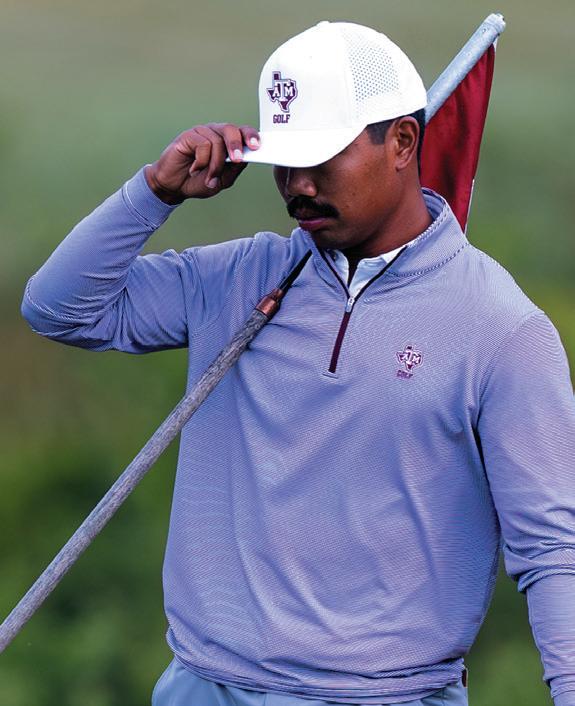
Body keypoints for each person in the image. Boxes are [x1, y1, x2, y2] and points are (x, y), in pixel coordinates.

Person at [21, 20, 574, 706]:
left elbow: (553, 550)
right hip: (202, 686)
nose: (298, 186)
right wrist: (155, 193)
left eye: (322, 159)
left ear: (403, 142)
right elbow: (59, 309)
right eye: (284, 162)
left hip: (385, 696)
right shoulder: (239, 278)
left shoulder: (501, 326)